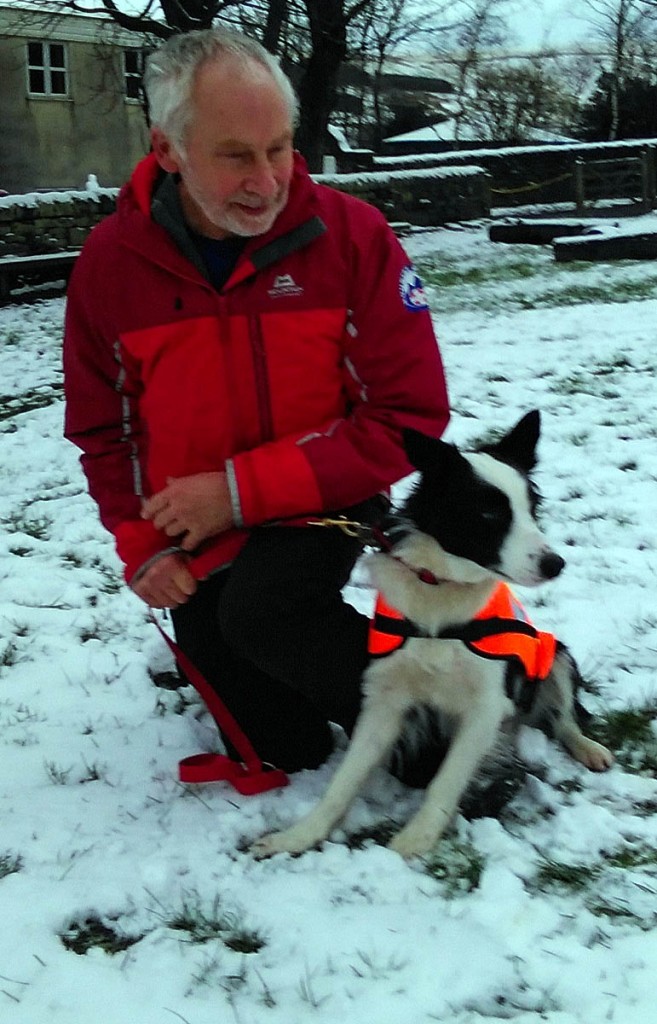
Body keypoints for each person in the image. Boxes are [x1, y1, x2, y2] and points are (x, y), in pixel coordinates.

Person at [63, 27, 449, 776]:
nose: (268, 180)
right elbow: (103, 429)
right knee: (278, 740)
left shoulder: (351, 238)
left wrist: (239, 492)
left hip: (323, 499)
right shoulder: (112, 265)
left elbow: (408, 414)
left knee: (265, 613)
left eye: (279, 147)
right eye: (236, 155)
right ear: (168, 148)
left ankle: (442, 731)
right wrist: (142, 545)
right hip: (196, 527)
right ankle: (352, 690)